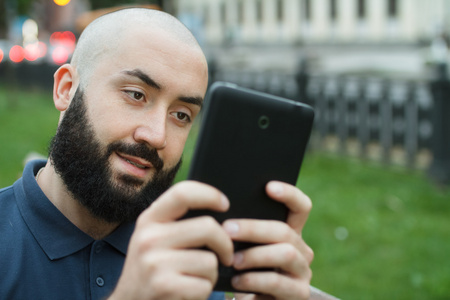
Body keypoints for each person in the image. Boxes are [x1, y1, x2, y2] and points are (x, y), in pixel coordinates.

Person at [0, 8, 333, 300]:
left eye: (182, 115)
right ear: (66, 90)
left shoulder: (193, 253)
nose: (157, 135)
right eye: (135, 94)